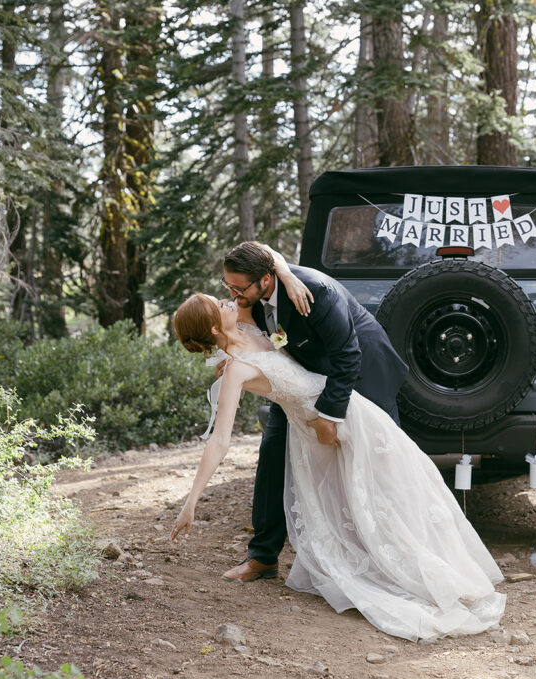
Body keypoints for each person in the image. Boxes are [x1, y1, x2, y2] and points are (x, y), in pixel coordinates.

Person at [170, 294, 505, 640]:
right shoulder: (235, 370)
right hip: (318, 431)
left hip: (347, 410)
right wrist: (191, 500)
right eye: (219, 304)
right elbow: (220, 441)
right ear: (213, 326)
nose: (228, 300)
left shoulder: (246, 325)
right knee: (365, 504)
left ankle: (443, 573)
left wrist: (283, 273)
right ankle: (418, 579)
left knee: (402, 488)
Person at [216, 243, 408, 583]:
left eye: (239, 288)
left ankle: (397, 552)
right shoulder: (257, 292)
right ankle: (262, 557)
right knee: (273, 454)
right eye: (228, 287)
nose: (233, 295)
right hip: (303, 377)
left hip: (364, 370)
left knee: (383, 463)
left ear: (264, 279)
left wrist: (327, 416)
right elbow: (262, 252)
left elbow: (349, 355)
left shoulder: (315, 291)